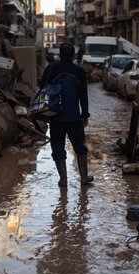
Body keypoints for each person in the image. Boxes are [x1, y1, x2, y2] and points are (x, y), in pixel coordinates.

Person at [39, 42, 94, 188]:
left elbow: (42, 89)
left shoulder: (51, 69)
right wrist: (85, 114)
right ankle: (83, 177)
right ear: (73, 55)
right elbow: (83, 95)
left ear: (59, 54)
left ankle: (63, 179)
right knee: (80, 147)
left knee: (57, 147)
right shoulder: (79, 71)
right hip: (74, 117)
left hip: (55, 116)